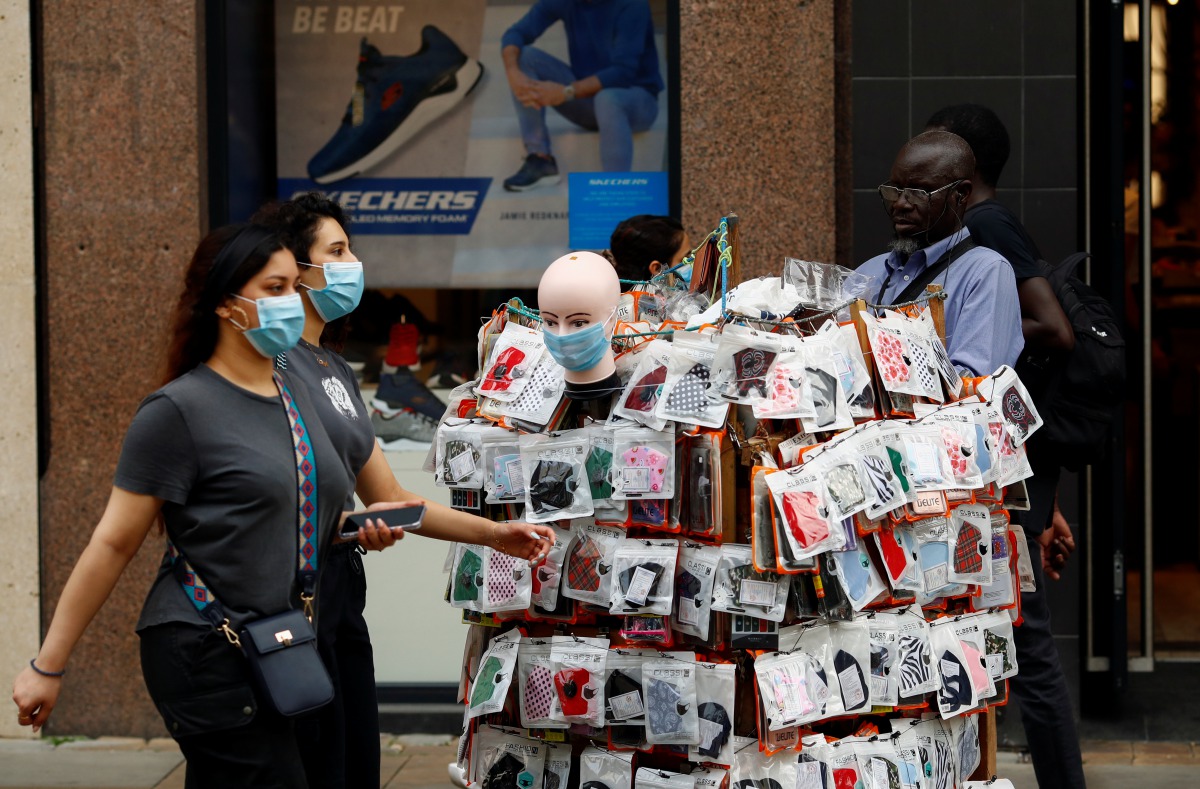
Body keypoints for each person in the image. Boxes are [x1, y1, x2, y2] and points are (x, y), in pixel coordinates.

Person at [9, 224, 412, 786]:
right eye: (273, 288)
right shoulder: (177, 410)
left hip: (282, 642)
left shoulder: (294, 392)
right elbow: (114, 540)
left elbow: (297, 510)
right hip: (204, 645)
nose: (291, 303)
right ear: (227, 304)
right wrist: (47, 667)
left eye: (296, 287)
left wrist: (354, 529)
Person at [255, 193, 557, 789]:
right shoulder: (266, 363)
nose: (351, 264)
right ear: (293, 268)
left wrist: (497, 535)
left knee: (349, 764)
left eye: (350, 249)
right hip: (283, 602)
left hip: (339, 598)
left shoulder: (332, 368)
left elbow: (388, 495)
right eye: (335, 251)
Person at [926, 104, 1086, 789]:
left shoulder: (985, 230)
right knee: (1020, 636)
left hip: (999, 466)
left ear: (959, 167)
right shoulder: (974, 229)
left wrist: (962, 318)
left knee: (1030, 642)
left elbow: (1053, 328)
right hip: (1004, 468)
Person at [857, 130, 1024, 376]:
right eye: (895, 189)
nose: (901, 203)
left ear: (961, 194)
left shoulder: (986, 272)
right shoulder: (866, 273)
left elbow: (973, 381)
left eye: (919, 192)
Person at [500, 0, 664, 190]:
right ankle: (540, 159)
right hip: (587, 103)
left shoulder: (631, 5)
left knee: (608, 99)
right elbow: (516, 33)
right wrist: (513, 72)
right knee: (524, 57)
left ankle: (616, 190)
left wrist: (566, 92)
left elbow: (623, 72)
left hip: (636, 102)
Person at [606, 214, 691, 290]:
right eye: (685, 259)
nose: (691, 265)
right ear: (657, 269)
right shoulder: (656, 307)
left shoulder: (614, 301)